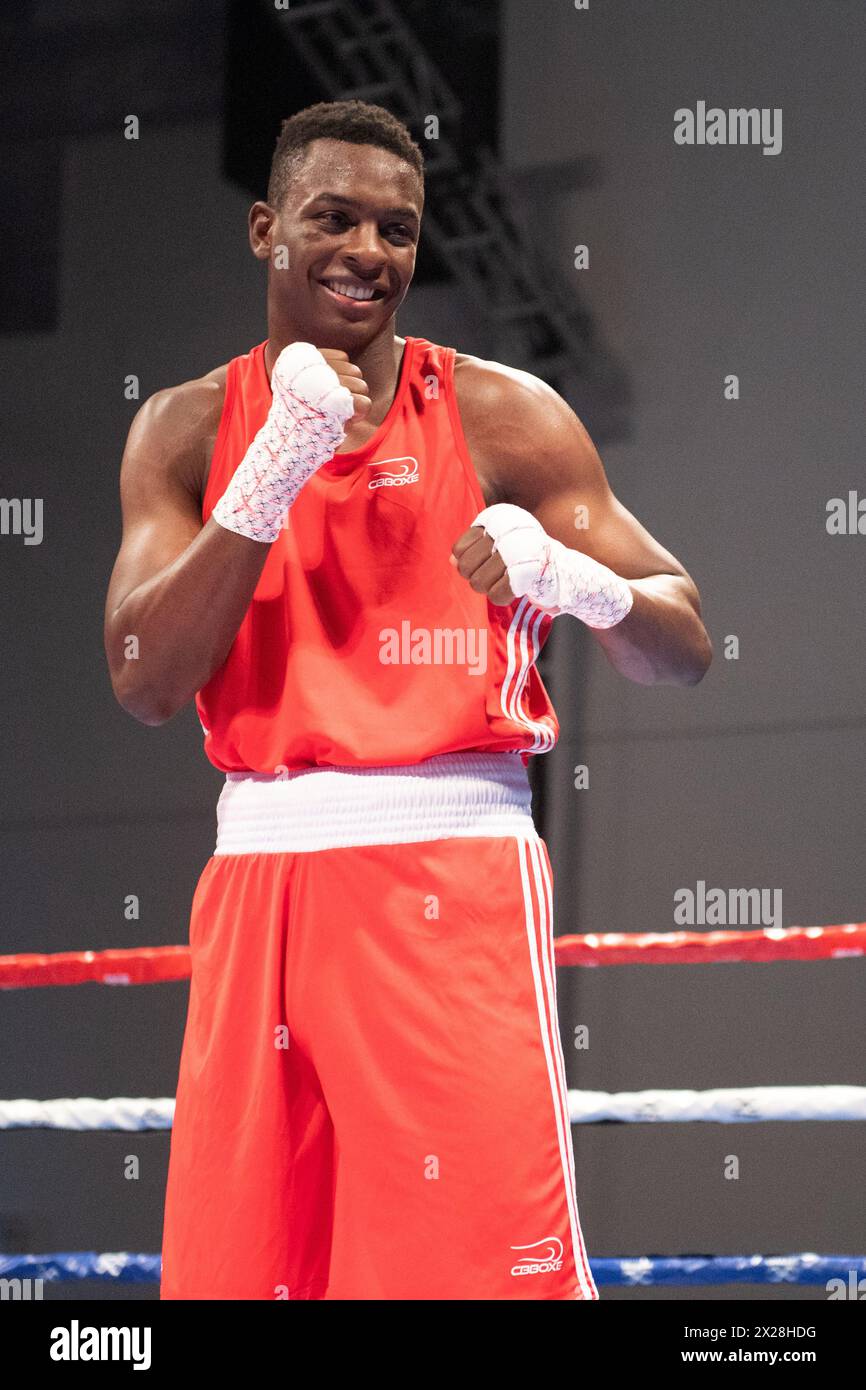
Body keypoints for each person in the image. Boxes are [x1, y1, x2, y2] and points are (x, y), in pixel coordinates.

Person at [104, 100, 711, 1301]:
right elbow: (144, 678)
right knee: (243, 1280)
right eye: (333, 218)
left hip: (448, 880)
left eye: (397, 227)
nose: (367, 252)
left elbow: (681, 641)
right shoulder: (182, 431)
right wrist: (272, 467)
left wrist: (570, 579)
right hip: (259, 891)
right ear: (266, 229)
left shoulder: (499, 415)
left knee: (472, 1277)